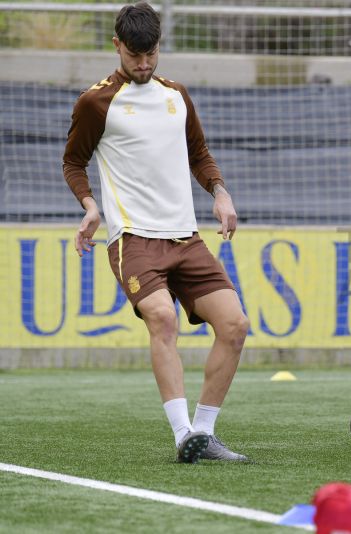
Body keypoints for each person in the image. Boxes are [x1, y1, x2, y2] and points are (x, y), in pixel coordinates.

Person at [62, 2, 249, 464]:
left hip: (185, 237)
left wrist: (220, 194)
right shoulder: (96, 102)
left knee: (235, 325)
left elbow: (199, 154)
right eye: (134, 56)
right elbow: (73, 162)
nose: (143, 65)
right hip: (133, 239)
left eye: (151, 55)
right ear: (117, 46)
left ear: (159, 47)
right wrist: (90, 207)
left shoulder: (176, 96)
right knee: (162, 318)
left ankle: (203, 434)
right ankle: (182, 432)